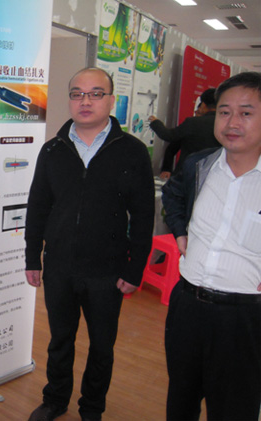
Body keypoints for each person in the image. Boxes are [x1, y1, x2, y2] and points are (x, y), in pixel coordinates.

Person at [24, 67, 155, 421]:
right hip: (60, 266)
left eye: (96, 93)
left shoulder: (132, 151)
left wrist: (135, 269)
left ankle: (92, 408)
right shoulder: (53, 150)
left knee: (102, 345)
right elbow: (38, 206)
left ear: (111, 100)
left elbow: (143, 216)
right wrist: (32, 257)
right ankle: (55, 400)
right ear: (69, 100)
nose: (86, 101)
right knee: (60, 340)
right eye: (77, 94)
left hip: (107, 270)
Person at [161, 71, 261, 420]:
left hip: (244, 316)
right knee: (181, 400)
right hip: (187, 304)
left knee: (234, 408)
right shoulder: (198, 164)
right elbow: (173, 195)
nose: (232, 123)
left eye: (246, 113)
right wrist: (179, 230)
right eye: (224, 112)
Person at [149, 88, 220, 180]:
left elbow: (169, 136)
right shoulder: (225, 124)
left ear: (203, 104)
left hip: (187, 174)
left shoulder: (193, 123)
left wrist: (155, 122)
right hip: (212, 175)